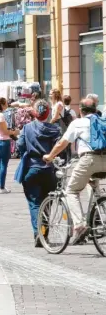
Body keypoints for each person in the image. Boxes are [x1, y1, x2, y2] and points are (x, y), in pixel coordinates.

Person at [43, 98, 106, 242]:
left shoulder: (77, 123)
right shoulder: (103, 121)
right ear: (96, 109)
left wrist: (50, 156)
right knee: (92, 182)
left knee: (71, 190)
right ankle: (97, 214)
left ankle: (79, 225)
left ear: (80, 110)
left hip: (89, 160)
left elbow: (62, 143)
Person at [15, 100, 61, 246]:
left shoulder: (27, 128)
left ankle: (38, 233)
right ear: (48, 113)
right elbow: (61, 149)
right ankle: (44, 233)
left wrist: (26, 153)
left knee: (34, 203)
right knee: (47, 203)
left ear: (34, 113)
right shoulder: (55, 129)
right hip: (49, 170)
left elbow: (20, 145)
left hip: (32, 168)